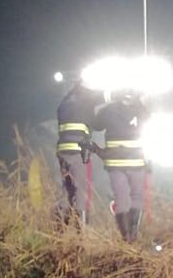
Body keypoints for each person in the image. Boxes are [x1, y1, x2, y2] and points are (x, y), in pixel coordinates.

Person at [93, 91, 147, 240]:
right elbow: (148, 119)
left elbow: (96, 125)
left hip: (115, 163)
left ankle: (126, 238)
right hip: (136, 161)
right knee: (136, 197)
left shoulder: (108, 110)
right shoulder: (141, 109)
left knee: (121, 199)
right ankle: (133, 235)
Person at [56, 80, 98, 224]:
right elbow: (96, 123)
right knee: (82, 191)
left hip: (63, 150)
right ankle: (82, 232)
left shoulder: (64, 103)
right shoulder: (86, 101)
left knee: (67, 189)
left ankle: (61, 227)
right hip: (79, 152)